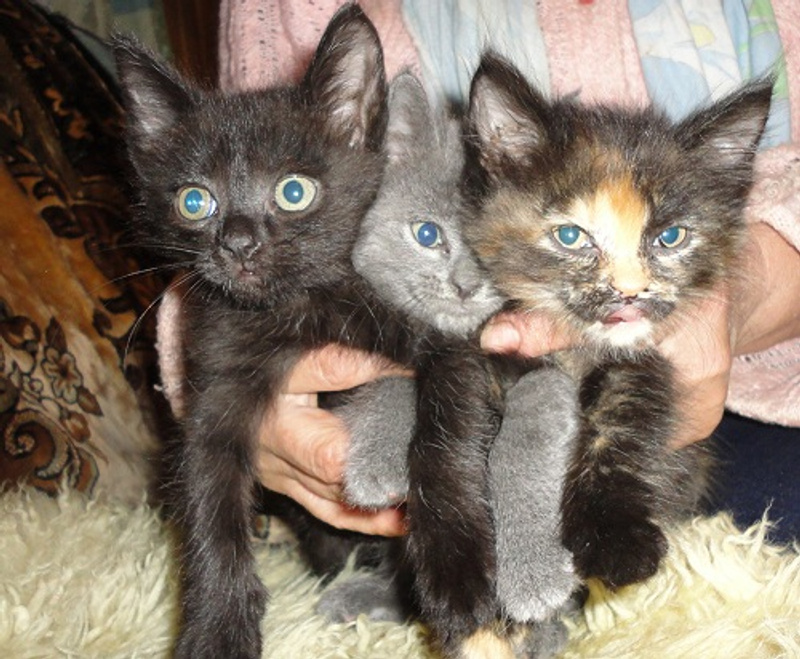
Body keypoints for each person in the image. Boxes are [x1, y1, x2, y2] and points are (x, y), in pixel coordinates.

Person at [158, 0, 800, 539]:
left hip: (760, 391)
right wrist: (221, 382)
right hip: (403, 362)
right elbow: (244, 205)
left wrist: (745, 288)